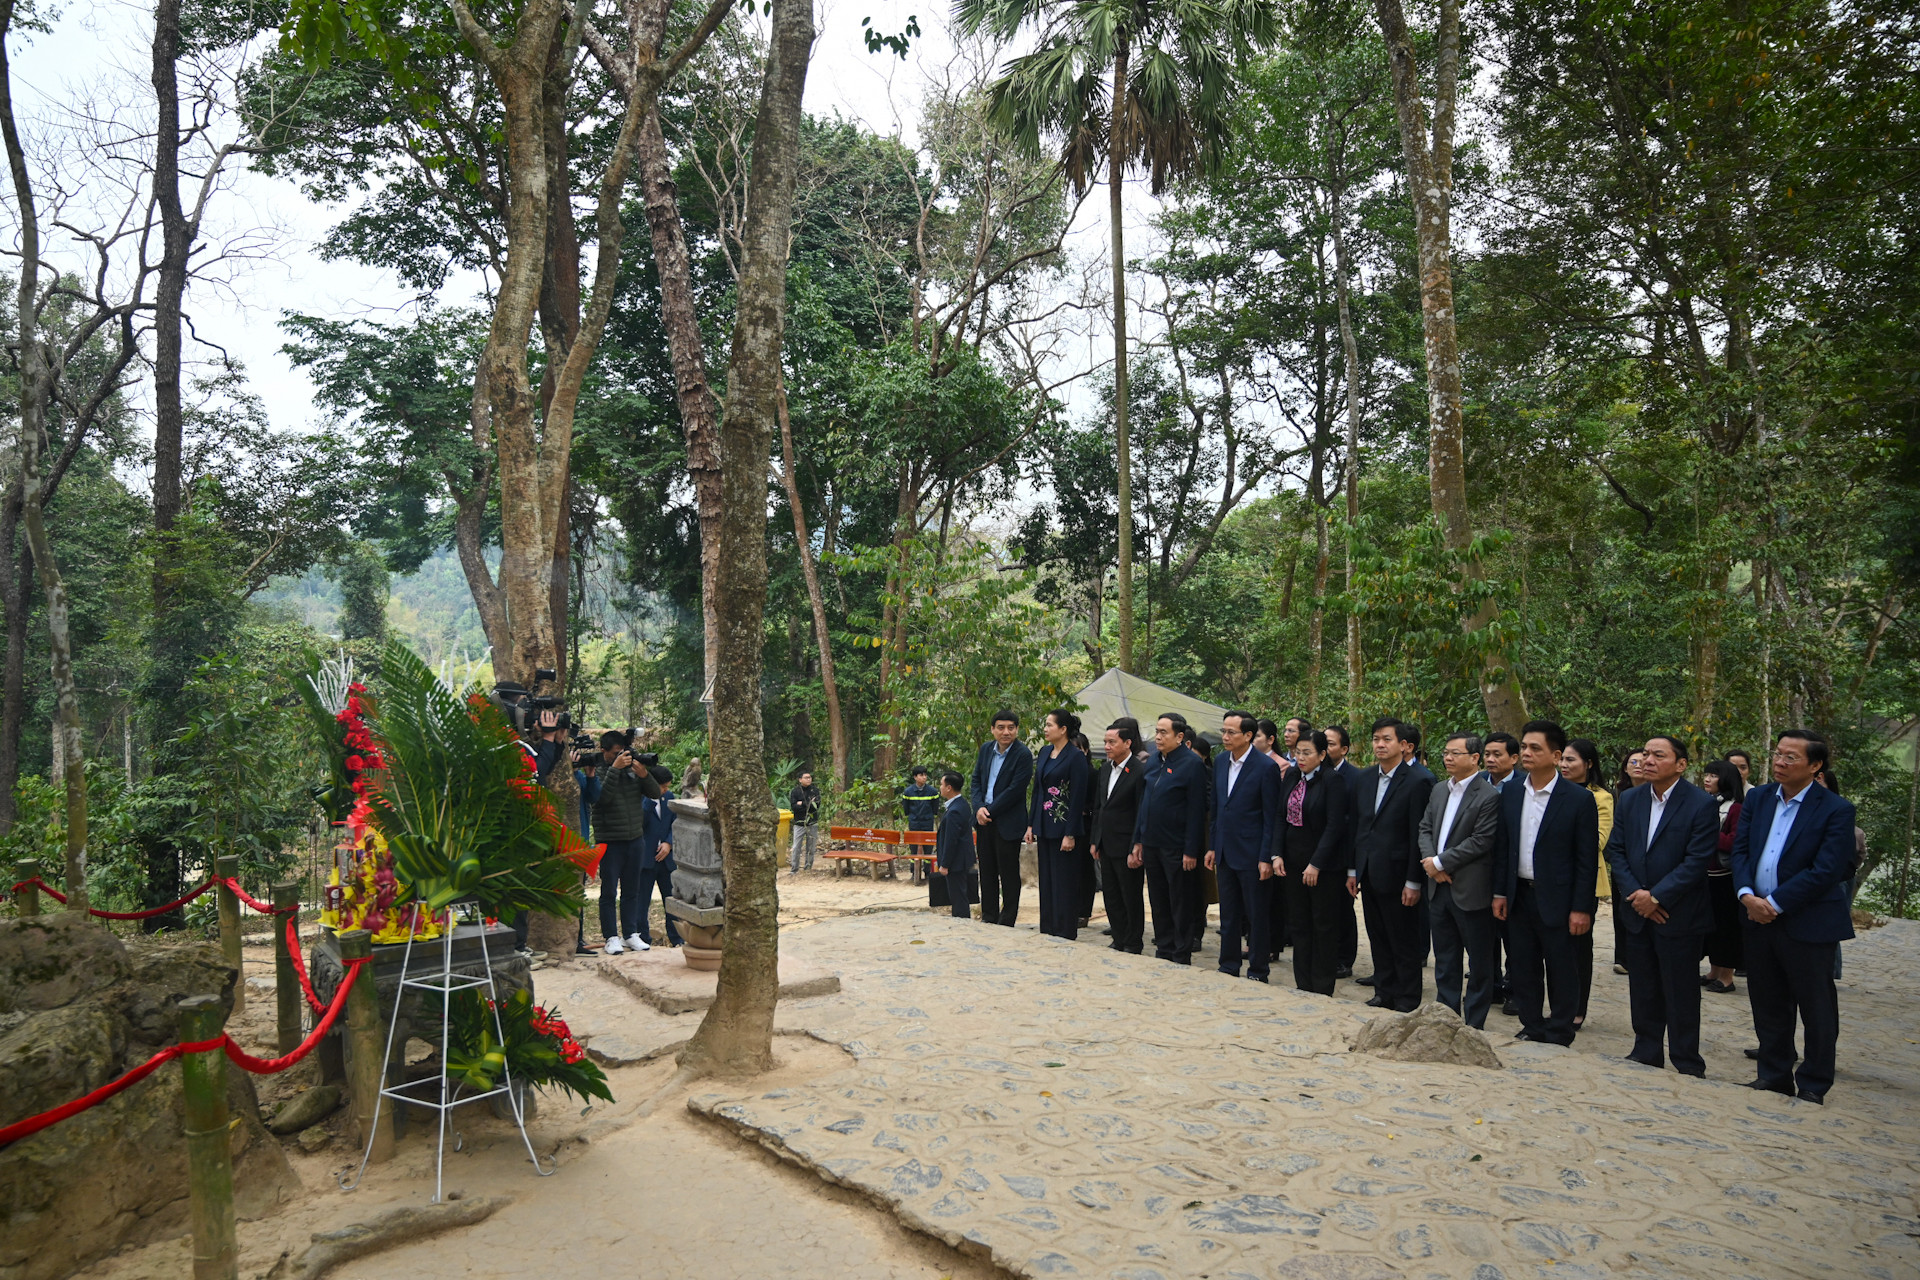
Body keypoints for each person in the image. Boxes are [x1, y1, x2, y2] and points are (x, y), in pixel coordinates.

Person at [1733, 730, 1857, 1103]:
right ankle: (1773, 1074)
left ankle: (1814, 1083)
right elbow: (1740, 852)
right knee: (1767, 1000)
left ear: (1815, 765)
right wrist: (1747, 896)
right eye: (1777, 754)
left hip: (1808, 921)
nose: (1780, 763)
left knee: (1815, 1006)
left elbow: (1827, 870)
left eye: (1791, 758)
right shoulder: (1757, 798)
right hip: (1756, 916)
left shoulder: (1836, 809)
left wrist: (1776, 902)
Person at [1606, 735, 1717, 1076]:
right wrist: (1638, 895)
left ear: (1681, 765)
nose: (1648, 760)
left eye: (1658, 755)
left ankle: (1686, 1059)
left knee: (1680, 988)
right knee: (1642, 983)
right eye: (1644, 754)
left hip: (1678, 913)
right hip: (1636, 910)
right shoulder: (1631, 799)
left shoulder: (1700, 803)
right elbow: (1616, 851)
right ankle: (1646, 1049)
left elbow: (1697, 861)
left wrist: (1657, 897)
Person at [1494, 719, 1599, 1045]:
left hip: (1560, 899)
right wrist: (1499, 891)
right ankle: (1532, 1024)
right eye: (1524, 746)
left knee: (1561, 966)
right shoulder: (1511, 791)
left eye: (1534, 748)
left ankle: (1560, 1030)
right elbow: (1503, 846)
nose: (1526, 752)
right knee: (1523, 963)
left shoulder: (1579, 799)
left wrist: (1581, 907)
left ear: (1555, 755)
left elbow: (1586, 860)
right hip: (1519, 895)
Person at [1347, 718, 1435, 1012]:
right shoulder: (1366, 777)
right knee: (1378, 934)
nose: (1380, 745)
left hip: (1400, 873)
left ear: (1404, 745)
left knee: (1404, 939)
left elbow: (1417, 834)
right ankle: (1384, 991)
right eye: (1376, 739)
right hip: (1370, 870)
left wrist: (1414, 880)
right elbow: (1360, 827)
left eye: (1386, 739)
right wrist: (1354, 869)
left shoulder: (1419, 780)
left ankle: (1407, 998)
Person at [1417, 734, 1503, 1028]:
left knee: (1479, 961)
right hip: (1437, 885)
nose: (1448, 758)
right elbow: (1425, 827)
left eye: (1455, 753)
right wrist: (1431, 864)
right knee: (1445, 957)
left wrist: (1440, 862)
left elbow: (1481, 841)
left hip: (1470, 888)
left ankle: (1475, 1021)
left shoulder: (1488, 795)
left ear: (1475, 758)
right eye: (1446, 752)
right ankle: (1446, 1015)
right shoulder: (1440, 789)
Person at [1206, 711, 1282, 982]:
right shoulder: (1220, 761)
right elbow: (1216, 807)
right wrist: (1213, 846)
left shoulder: (1265, 767)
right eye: (1223, 731)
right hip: (1225, 851)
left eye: (1231, 733)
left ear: (1248, 736)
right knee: (1228, 913)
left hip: (1252, 854)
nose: (1225, 737)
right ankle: (1228, 964)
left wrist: (1266, 856)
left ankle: (1258, 969)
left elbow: (1271, 816)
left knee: (1256, 914)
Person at [1274, 730, 1350, 994]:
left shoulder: (1333, 780)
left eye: (1307, 753)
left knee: (1323, 925)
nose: (1301, 758)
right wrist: (1276, 854)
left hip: (1323, 866)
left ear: (1322, 754)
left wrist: (1316, 863)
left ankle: (1322, 984)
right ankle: (1302, 981)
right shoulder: (1293, 776)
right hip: (1292, 861)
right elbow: (1280, 816)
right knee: (1298, 923)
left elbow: (1335, 826)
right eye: (1298, 752)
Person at [1132, 713, 1209, 964]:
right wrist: (1139, 840)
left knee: (1180, 900)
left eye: (1164, 732)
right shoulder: (1153, 761)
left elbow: (1197, 811)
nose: (1158, 737)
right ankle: (1163, 947)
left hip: (1177, 846)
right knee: (1158, 898)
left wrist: (1191, 850)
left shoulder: (1192, 764)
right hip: (1152, 842)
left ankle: (1181, 951)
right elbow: (1144, 803)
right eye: (1156, 731)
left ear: (1180, 736)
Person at [1561, 738, 1615, 1030]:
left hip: (1584, 882)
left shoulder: (1600, 797)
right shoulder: (1552, 790)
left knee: (1580, 948)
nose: (1565, 765)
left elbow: (1598, 840)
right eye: (1563, 760)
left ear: (1589, 764)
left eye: (1572, 760)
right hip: (1550, 881)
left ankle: (1578, 1008)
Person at [1025, 709, 1091, 940]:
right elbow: (1037, 791)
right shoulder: (1044, 752)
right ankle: (1048, 928)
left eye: (1049, 725)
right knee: (1047, 880)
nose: (1045, 728)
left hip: (1064, 827)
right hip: (1044, 825)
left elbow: (1077, 797)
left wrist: (1071, 833)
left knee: (1064, 881)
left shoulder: (1075, 757)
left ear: (1063, 729)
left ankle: (1064, 930)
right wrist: (1031, 824)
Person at [592, 731, 657, 954]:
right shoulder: (596, 770)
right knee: (609, 891)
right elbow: (602, 799)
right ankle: (611, 937)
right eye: (615, 753)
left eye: (623, 753)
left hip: (635, 839)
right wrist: (614, 769)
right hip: (610, 840)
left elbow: (656, 792)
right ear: (604, 751)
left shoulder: (631, 769)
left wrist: (644, 774)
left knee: (632, 890)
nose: (621, 757)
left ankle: (631, 934)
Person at [971, 711, 1034, 927]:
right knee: (987, 870)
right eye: (1001, 727)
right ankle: (989, 916)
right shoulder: (986, 749)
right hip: (983, 821)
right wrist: (979, 807)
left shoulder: (1023, 754)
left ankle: (1007, 920)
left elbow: (1016, 789)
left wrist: (989, 811)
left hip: (1007, 822)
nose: (1006, 732)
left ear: (1017, 729)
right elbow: (976, 780)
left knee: (1008, 873)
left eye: (1011, 727)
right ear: (992, 729)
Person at [1090, 718, 1148, 953]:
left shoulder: (1139, 771)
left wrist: (1137, 844)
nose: (1107, 746)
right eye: (1105, 742)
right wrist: (1095, 839)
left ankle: (1134, 940)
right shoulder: (1104, 769)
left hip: (1127, 843)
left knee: (1130, 894)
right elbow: (1099, 807)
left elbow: (1140, 811)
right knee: (1111, 894)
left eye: (1112, 742)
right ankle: (1119, 935)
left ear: (1127, 743)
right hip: (1106, 842)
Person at [1481, 730, 1523, 1009]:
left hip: (1510, 871)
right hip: (1479, 870)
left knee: (1514, 937)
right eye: (1487, 754)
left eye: (1498, 754)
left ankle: (1516, 990)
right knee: (1483, 936)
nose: (1491, 759)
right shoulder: (1477, 783)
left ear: (1514, 758)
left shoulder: (1522, 786)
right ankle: (1490, 986)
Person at [1699, 760, 1746, 993]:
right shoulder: (1709, 803)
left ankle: (1727, 977)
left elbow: (1736, 841)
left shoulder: (1736, 807)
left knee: (1727, 926)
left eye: (1714, 776)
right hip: (1707, 874)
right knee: (1712, 926)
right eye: (1706, 774)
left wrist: (1708, 835)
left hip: (1726, 876)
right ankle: (1713, 971)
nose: (1707, 779)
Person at [1324, 724, 1363, 979]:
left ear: (1344, 749)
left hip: (1345, 853)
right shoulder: (1315, 774)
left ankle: (1344, 959)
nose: (1326, 749)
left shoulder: (1356, 778)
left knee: (1343, 909)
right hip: (1320, 855)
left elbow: (1357, 821)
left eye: (1330, 744)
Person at [636, 765, 683, 948]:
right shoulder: (640, 800)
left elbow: (675, 823)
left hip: (666, 860)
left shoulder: (669, 798)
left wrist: (669, 843)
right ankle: (642, 938)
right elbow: (639, 823)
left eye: (667, 786)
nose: (666, 790)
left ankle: (677, 938)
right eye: (663, 786)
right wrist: (649, 799)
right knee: (641, 901)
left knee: (671, 900)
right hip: (645, 859)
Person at [932, 771, 976, 919]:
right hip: (961, 859)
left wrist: (944, 864)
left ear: (949, 787)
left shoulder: (955, 811)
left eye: (941, 784)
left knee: (958, 897)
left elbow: (952, 840)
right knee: (959, 895)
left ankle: (961, 923)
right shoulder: (962, 804)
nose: (940, 787)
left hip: (956, 862)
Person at [788, 771, 823, 875]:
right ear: (800, 779)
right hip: (799, 823)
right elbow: (794, 807)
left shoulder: (814, 790)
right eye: (806, 777)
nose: (809, 779)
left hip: (812, 822)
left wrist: (802, 803)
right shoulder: (795, 791)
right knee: (796, 848)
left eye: (810, 777)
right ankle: (794, 870)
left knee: (811, 848)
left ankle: (808, 869)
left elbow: (816, 806)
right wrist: (807, 803)